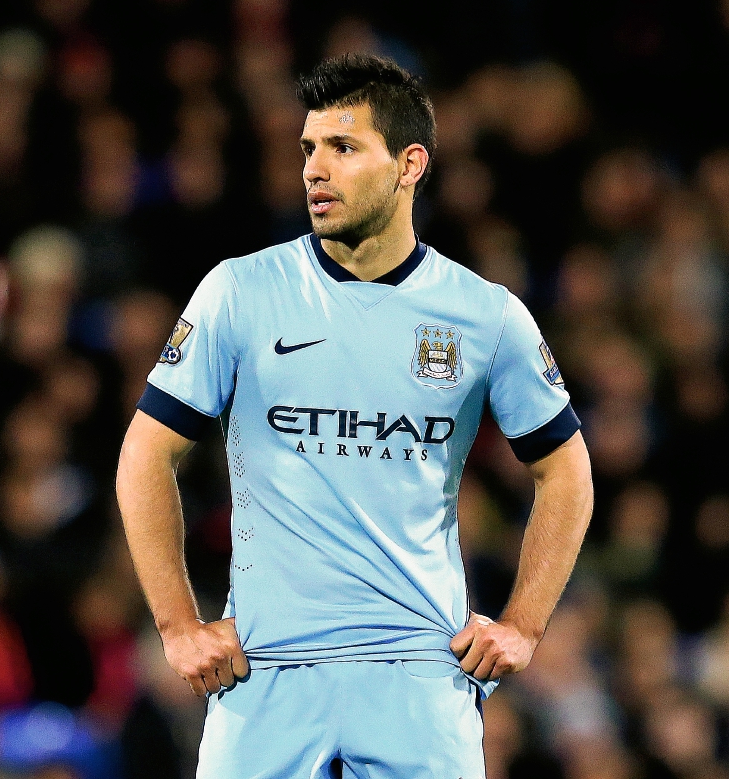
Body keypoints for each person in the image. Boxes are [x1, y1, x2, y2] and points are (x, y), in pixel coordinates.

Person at [115, 53, 594, 778]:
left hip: (421, 671)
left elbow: (566, 471)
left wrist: (524, 623)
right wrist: (178, 624)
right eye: (308, 149)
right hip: (265, 668)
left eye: (342, 147)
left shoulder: (485, 315)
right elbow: (145, 455)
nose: (314, 168)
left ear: (410, 164)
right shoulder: (241, 292)